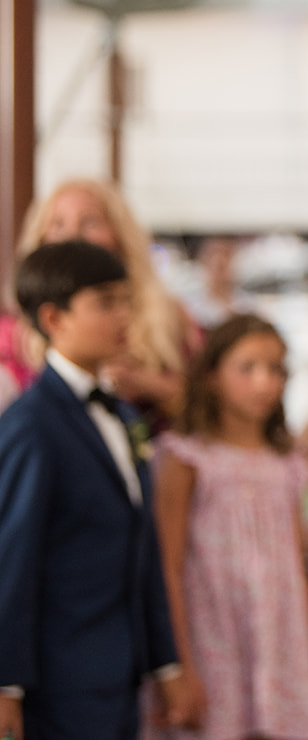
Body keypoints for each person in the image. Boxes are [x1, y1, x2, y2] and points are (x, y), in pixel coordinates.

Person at [0, 241, 196, 738]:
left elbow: (142, 549)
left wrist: (166, 666)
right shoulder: (32, 425)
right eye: (105, 303)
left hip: (119, 670)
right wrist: (7, 684)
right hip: (57, 675)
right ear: (53, 317)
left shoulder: (125, 417)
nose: (124, 315)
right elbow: (13, 558)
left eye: (126, 301)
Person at [149, 314, 308, 740]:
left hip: (280, 636)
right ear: (211, 376)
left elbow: (298, 567)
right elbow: (166, 566)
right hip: (214, 634)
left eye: (276, 369)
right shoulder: (186, 456)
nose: (265, 382)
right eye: (247, 368)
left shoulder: (287, 461)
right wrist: (179, 665)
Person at [7, 179, 200, 419]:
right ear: (52, 319)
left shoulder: (168, 314)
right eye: (58, 224)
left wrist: (146, 384)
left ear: (119, 233)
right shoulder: (13, 332)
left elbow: (206, 398)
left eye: (89, 222)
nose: (73, 235)